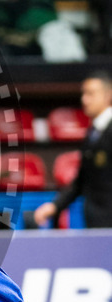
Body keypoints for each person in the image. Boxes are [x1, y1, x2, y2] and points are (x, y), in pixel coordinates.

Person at [35, 73, 112, 229]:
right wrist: (55, 206)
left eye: (91, 94)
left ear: (108, 95)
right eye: (83, 94)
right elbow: (82, 179)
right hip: (96, 223)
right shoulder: (93, 133)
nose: (84, 99)